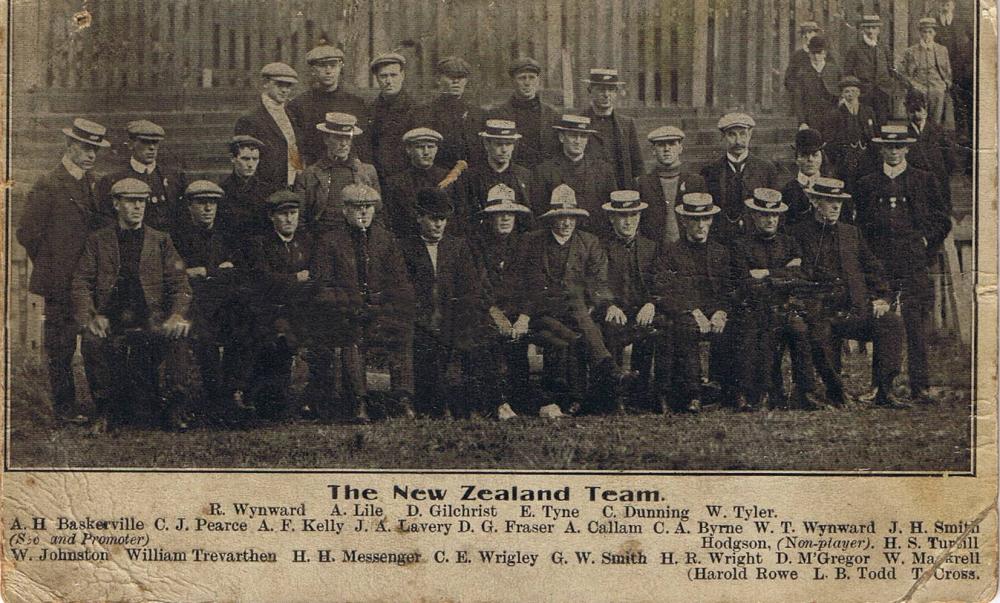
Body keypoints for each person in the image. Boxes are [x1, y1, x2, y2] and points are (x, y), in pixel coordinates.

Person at [72, 178, 193, 434]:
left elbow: (180, 284)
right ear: (116, 204)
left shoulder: (161, 240)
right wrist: (91, 317)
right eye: (130, 201)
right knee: (92, 340)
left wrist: (176, 315)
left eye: (141, 201)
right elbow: (81, 282)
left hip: (152, 316)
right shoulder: (98, 241)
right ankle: (103, 410)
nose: (137, 207)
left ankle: (174, 407)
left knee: (178, 337)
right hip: (110, 317)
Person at [16, 118, 111, 425]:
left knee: (96, 344)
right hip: (60, 281)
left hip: (88, 280)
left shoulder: (92, 184)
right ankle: (65, 409)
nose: (91, 155)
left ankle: (103, 406)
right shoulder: (49, 184)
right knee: (61, 347)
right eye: (85, 148)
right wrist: (53, 263)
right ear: (70, 146)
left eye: (95, 149)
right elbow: (27, 233)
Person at [509, 184, 634, 416]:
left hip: (579, 313)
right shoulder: (533, 242)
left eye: (571, 217)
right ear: (552, 219)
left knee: (576, 330)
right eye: (561, 217)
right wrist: (525, 315)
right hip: (542, 312)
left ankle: (574, 399)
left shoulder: (589, 242)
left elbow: (599, 281)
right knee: (577, 312)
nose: (567, 223)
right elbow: (527, 286)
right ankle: (609, 368)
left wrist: (607, 304)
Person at [853, 125, 951, 405]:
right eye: (888, 147)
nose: (893, 152)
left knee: (915, 323)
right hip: (880, 264)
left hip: (913, 263)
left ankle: (920, 386)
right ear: (881, 149)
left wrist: (923, 240)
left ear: (907, 148)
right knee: (882, 320)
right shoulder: (867, 183)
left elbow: (941, 219)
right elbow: (860, 226)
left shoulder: (924, 180)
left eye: (898, 147)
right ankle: (880, 387)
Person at [791, 177, 907, 409]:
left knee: (891, 322)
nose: (835, 207)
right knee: (819, 334)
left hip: (855, 312)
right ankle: (834, 392)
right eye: (829, 201)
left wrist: (882, 298)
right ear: (814, 201)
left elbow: (873, 269)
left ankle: (884, 391)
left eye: (839, 202)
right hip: (820, 315)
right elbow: (796, 276)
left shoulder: (851, 233)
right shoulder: (798, 234)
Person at [312, 184, 417, 421]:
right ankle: (359, 401)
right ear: (345, 210)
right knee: (351, 337)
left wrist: (389, 306)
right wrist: (347, 304)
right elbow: (322, 285)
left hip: (381, 311)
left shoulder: (385, 239)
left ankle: (402, 398)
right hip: (347, 312)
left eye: (368, 207)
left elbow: (400, 281)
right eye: (357, 207)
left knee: (402, 331)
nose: (364, 213)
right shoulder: (330, 241)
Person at [730, 188, 822, 411]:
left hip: (786, 307)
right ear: (754, 216)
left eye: (774, 215)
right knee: (755, 332)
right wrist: (783, 273)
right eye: (764, 214)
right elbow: (744, 282)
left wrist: (767, 274)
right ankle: (758, 392)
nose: (770, 219)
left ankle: (805, 391)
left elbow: (801, 277)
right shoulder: (740, 245)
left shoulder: (789, 243)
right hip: (754, 309)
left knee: (799, 330)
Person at [400, 189, 486, 418]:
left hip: (453, 314)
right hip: (419, 317)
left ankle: (466, 406)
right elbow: (402, 287)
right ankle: (433, 406)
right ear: (419, 217)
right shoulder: (405, 247)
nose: (438, 225)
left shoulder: (457, 247)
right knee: (426, 347)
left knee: (468, 342)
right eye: (433, 218)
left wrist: (460, 315)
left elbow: (470, 287)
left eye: (443, 219)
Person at [172, 180, 250, 422]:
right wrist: (213, 271)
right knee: (204, 338)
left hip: (222, 301)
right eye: (202, 203)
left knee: (244, 327)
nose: (208, 209)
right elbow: (177, 274)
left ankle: (232, 391)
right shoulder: (178, 237)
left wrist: (204, 271)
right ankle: (215, 395)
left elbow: (236, 270)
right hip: (192, 303)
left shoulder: (226, 235)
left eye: (213, 203)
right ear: (189, 207)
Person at [651, 193, 734, 414]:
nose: (700, 225)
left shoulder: (721, 252)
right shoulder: (670, 252)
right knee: (685, 328)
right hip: (686, 311)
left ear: (711, 221)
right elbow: (665, 290)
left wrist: (721, 311)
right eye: (694, 220)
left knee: (741, 326)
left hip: (715, 310)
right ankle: (693, 393)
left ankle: (732, 391)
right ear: (684, 221)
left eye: (705, 219)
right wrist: (693, 311)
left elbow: (731, 288)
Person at [243, 190, 316, 420]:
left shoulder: (306, 242)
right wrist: (295, 279)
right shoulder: (260, 244)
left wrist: (287, 282)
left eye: (293, 213)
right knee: (275, 340)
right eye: (283, 214)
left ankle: (311, 399)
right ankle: (265, 399)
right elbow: (264, 280)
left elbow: (315, 278)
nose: (289, 219)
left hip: (301, 310)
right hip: (269, 311)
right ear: (271, 217)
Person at [470, 184, 534, 418]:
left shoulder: (525, 243)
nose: (506, 218)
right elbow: (477, 285)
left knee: (520, 340)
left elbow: (532, 284)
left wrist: (524, 317)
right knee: (486, 336)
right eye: (499, 213)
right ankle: (496, 402)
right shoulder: (477, 244)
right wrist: (497, 316)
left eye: (510, 213)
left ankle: (523, 400)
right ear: (489, 218)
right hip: (486, 311)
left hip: (518, 312)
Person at [599, 190, 660, 412]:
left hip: (642, 308)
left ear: (640, 217)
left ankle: (641, 394)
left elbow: (660, 281)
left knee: (653, 330)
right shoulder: (602, 248)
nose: (628, 221)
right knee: (611, 327)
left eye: (633, 215)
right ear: (612, 218)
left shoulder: (651, 247)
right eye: (622, 216)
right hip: (615, 309)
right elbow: (597, 282)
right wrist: (609, 305)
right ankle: (614, 396)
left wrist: (652, 303)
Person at [700, 112, 783, 244]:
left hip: (756, 243)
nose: (738, 141)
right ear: (723, 137)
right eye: (732, 134)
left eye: (743, 134)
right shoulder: (710, 171)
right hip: (722, 242)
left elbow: (777, 212)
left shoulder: (766, 169)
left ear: (750, 135)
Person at [293, 112, 379, 235]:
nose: (344, 144)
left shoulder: (367, 172)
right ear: (326, 139)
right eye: (338, 138)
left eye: (348, 138)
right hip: (322, 237)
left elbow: (377, 212)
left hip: (357, 235)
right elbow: (300, 218)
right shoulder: (309, 175)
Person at [97, 119, 188, 234]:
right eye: (145, 142)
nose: (152, 147)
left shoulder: (175, 177)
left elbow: (183, 217)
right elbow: (107, 221)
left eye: (155, 142)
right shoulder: (113, 180)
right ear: (131, 144)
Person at [532, 114, 617, 237]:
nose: (578, 141)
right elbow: (540, 213)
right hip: (559, 240)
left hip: (596, 238)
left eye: (583, 136)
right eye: (573, 135)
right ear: (562, 137)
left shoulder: (604, 170)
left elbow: (611, 212)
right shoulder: (544, 171)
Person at [287, 45, 369, 167]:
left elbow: (362, 145)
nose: (328, 71)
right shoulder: (299, 105)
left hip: (347, 170)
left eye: (333, 65)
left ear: (340, 68)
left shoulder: (356, 103)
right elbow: (296, 148)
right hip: (314, 173)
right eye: (322, 66)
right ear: (313, 70)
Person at [234, 62, 304, 195]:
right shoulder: (250, 119)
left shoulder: (291, 114)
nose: (285, 90)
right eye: (279, 84)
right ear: (265, 83)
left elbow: (292, 147)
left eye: (288, 86)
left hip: (291, 186)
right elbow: (243, 161)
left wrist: (297, 172)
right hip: (263, 191)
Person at [455, 119, 535, 232]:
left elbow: (529, 217)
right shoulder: (470, 178)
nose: (504, 150)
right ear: (486, 144)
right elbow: (465, 217)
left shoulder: (524, 176)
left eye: (508, 144)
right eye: (498, 144)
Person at [635, 125, 706, 247]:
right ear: (653, 150)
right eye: (661, 145)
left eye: (672, 144)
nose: (666, 149)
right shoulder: (642, 183)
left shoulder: (695, 182)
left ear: (680, 148)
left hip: (688, 248)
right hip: (654, 249)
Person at [415, 56, 486, 169]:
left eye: (461, 77)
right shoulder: (424, 113)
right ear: (438, 79)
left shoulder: (478, 114)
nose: (456, 81)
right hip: (439, 177)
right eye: (450, 76)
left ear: (466, 81)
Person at [489, 57, 560, 168]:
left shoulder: (552, 115)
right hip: (511, 176)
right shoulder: (497, 114)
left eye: (532, 78)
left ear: (538, 81)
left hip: (544, 176)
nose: (527, 83)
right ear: (512, 81)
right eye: (522, 78)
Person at [382, 127, 450, 238]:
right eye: (420, 147)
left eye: (431, 147)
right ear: (409, 149)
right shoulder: (395, 183)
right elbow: (391, 219)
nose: (426, 152)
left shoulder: (448, 178)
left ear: (437, 149)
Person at [581, 68, 643, 188]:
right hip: (590, 189)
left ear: (616, 93)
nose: (606, 94)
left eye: (611, 90)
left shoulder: (626, 124)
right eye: (600, 89)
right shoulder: (580, 122)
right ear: (590, 91)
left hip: (620, 190)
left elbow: (637, 165)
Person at [905, 89, 955, 218]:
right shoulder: (904, 133)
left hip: (937, 177)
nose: (916, 115)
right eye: (912, 111)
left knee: (938, 211)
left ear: (926, 111)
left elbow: (948, 156)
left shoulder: (937, 130)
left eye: (919, 111)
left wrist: (942, 173)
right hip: (914, 179)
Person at [367, 52, 417, 181]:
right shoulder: (370, 110)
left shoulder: (416, 109)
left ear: (402, 76)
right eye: (383, 76)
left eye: (393, 75)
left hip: (406, 179)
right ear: (376, 78)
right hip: (377, 178)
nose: (389, 81)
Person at [826, 76, 879, 192]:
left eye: (854, 91)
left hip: (866, 160)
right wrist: (839, 159)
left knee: (866, 190)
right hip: (846, 161)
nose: (850, 94)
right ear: (842, 94)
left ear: (859, 93)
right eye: (847, 91)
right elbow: (830, 141)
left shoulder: (868, 111)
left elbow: (875, 135)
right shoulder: (836, 114)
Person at [843, 14, 898, 126]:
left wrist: (889, 85)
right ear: (863, 29)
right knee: (865, 122)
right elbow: (847, 73)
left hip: (883, 91)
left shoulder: (884, 47)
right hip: (864, 92)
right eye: (867, 28)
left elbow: (890, 68)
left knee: (882, 122)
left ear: (878, 30)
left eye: (874, 28)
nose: (870, 31)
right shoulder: (855, 49)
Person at [902, 17, 953, 126]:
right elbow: (904, 73)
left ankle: (933, 141)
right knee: (918, 119)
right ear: (920, 33)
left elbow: (948, 71)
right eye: (924, 32)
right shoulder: (910, 51)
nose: (927, 35)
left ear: (934, 33)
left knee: (936, 121)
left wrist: (944, 84)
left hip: (936, 87)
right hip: (918, 87)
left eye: (930, 32)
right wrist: (913, 85)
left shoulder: (942, 50)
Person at [934, 0, 973, 139]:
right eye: (942, 4)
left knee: (961, 99)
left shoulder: (961, 21)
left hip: (960, 67)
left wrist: (965, 60)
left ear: (953, 6)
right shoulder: (934, 23)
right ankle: (938, 133)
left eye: (948, 4)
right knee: (940, 98)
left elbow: (973, 41)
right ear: (939, 5)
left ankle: (964, 132)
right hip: (940, 67)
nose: (945, 7)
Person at [219, 135, 270, 239]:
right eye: (245, 159)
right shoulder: (222, 191)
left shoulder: (268, 191)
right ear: (232, 158)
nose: (251, 164)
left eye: (255, 159)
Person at [788, 36, 841, 134]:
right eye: (813, 53)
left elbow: (842, 92)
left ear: (825, 54)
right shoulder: (802, 73)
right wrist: (802, 122)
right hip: (811, 116)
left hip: (832, 115)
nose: (816, 56)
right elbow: (798, 99)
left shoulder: (834, 70)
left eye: (819, 53)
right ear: (809, 54)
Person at [782, 128, 832, 224]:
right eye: (804, 155)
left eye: (815, 155)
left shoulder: (832, 188)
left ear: (822, 157)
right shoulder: (787, 191)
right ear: (796, 159)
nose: (810, 159)